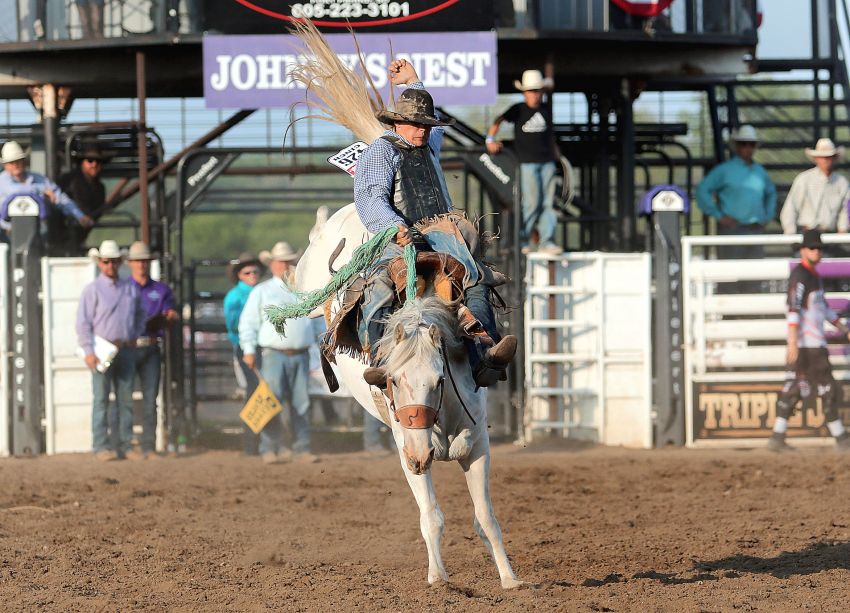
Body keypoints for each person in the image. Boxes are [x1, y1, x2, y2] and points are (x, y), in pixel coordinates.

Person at [354, 58, 517, 387]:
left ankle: (485, 349)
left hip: (444, 235)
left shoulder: (429, 144)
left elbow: (429, 123)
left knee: (473, 279)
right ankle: (381, 359)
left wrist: (413, 82)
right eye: (415, 124)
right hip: (399, 237)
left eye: (426, 125)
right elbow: (369, 197)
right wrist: (395, 228)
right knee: (380, 286)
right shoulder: (380, 152)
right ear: (398, 123)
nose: (422, 130)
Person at [769, 230, 850, 452]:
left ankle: (778, 435)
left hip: (811, 343)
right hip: (808, 345)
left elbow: (823, 309)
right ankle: (841, 437)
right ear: (803, 250)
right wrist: (793, 342)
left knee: (796, 387)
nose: (817, 251)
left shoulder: (812, 276)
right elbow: (793, 309)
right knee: (827, 387)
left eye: (819, 248)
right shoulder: (801, 276)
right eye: (813, 248)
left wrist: (843, 328)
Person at [239, 242, 316, 464]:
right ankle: (270, 447)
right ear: (272, 264)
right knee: (272, 401)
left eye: (289, 261)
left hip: (300, 353)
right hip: (274, 353)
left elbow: (316, 322)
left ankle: (300, 447)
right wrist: (249, 350)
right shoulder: (262, 291)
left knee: (301, 403)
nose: (285, 265)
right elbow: (248, 323)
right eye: (281, 262)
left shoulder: (303, 290)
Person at [76, 239, 147, 461]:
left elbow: (140, 314)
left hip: (124, 348)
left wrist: (135, 333)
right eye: (106, 262)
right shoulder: (92, 290)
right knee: (101, 400)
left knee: (125, 399)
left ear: (119, 262)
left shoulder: (130, 288)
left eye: (114, 262)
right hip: (101, 350)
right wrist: (88, 350)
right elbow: (83, 323)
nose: (110, 266)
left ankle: (125, 445)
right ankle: (101, 445)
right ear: (100, 263)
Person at [485, 68, 563, 255]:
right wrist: (490, 139)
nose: (534, 95)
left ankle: (547, 241)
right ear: (524, 92)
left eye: (537, 91)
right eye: (531, 91)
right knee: (531, 203)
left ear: (541, 92)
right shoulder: (518, 109)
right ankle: (524, 239)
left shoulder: (546, 110)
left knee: (548, 204)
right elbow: (498, 120)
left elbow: (550, 136)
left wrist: (557, 155)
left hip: (547, 162)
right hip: (527, 163)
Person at [127, 241, 178, 459]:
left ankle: (147, 445)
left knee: (150, 399)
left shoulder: (161, 290)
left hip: (150, 346)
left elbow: (169, 312)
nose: (141, 265)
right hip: (127, 347)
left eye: (144, 261)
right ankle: (127, 444)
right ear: (131, 264)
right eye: (138, 261)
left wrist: (170, 317)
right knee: (124, 398)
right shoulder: (123, 288)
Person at [696, 125, 777, 259]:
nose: (748, 148)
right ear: (737, 146)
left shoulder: (759, 171)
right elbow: (702, 191)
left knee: (756, 274)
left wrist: (767, 215)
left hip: (756, 228)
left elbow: (771, 193)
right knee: (730, 275)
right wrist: (719, 215)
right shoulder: (724, 170)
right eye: (743, 144)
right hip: (732, 229)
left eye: (751, 144)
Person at [0, 141, 94, 245]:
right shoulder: (2, 182)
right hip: (7, 235)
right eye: (11, 162)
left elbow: (60, 198)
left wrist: (80, 216)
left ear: (24, 161)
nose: (15, 165)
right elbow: (17, 192)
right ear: (5, 165)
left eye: (18, 160)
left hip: (37, 233)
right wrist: (40, 193)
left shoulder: (39, 179)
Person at [223, 251, 263, 456]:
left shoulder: (255, 293)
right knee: (254, 392)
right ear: (239, 275)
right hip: (246, 348)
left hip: (260, 347)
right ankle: (251, 443)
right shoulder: (235, 297)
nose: (252, 275)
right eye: (247, 272)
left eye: (255, 271)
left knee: (258, 392)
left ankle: (257, 443)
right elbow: (233, 326)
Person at [780, 138, 850, 235]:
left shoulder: (842, 183)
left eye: (828, 156)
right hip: (806, 233)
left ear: (834, 158)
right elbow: (791, 207)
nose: (825, 160)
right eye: (822, 157)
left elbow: (846, 209)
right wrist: (790, 232)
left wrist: (843, 229)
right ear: (816, 158)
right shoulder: (804, 179)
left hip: (830, 235)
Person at [58, 145, 109, 253]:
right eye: (90, 160)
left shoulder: (100, 187)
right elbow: (60, 202)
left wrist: (90, 219)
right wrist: (81, 216)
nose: (94, 164)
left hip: (84, 232)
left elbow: (99, 209)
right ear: (82, 162)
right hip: (64, 230)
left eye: (98, 162)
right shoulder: (68, 180)